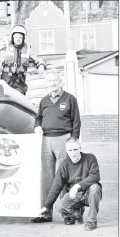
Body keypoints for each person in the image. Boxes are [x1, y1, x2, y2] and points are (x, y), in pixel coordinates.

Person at [32, 69, 81, 223]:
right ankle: (46, 212)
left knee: (64, 176)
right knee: (47, 178)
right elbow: (38, 118)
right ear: (47, 84)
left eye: (55, 80)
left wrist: (73, 140)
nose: (52, 83)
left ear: (61, 82)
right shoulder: (44, 101)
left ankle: (68, 213)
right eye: (50, 81)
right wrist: (37, 126)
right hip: (46, 140)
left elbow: (76, 122)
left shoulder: (70, 99)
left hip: (63, 139)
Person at [35, 137, 102, 231]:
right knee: (59, 206)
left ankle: (92, 221)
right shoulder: (64, 165)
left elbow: (95, 176)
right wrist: (46, 206)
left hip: (89, 194)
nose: (73, 153)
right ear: (66, 150)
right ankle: (76, 214)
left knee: (95, 187)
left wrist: (77, 186)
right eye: (70, 150)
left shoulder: (90, 158)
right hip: (75, 196)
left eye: (75, 149)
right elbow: (56, 186)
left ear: (80, 148)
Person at [0, 24, 45, 95]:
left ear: (23, 38)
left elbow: (37, 59)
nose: (18, 39)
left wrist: (41, 65)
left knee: (19, 97)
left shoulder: (28, 49)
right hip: (6, 79)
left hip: (19, 81)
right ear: (12, 38)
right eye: (16, 37)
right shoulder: (5, 48)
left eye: (20, 37)